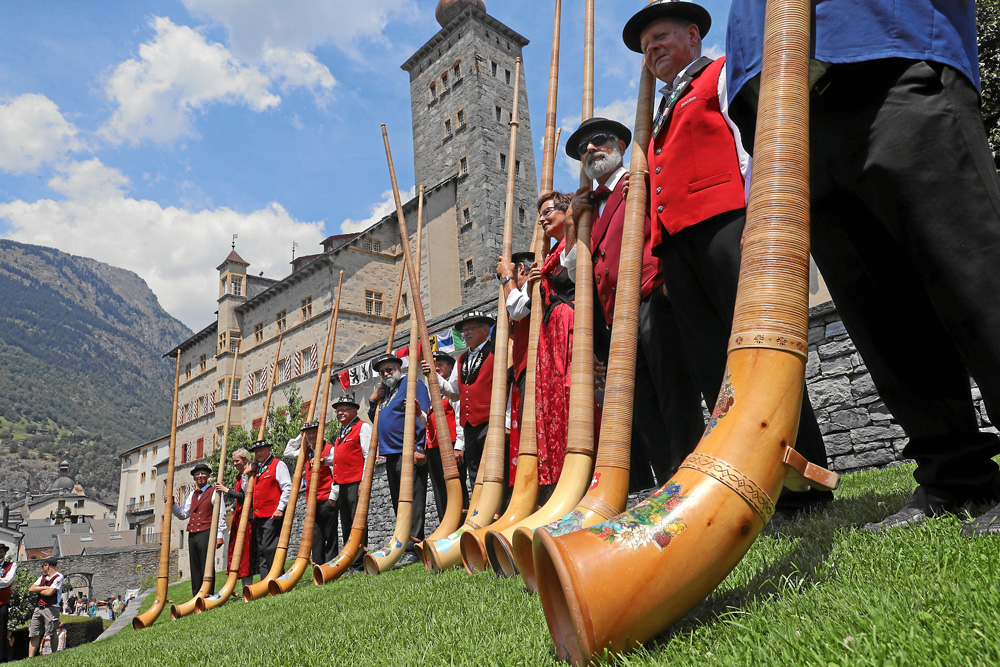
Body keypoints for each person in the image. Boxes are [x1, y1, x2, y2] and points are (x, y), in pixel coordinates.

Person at [725, 0, 1000, 534]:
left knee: (974, 272)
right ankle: (954, 473)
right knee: (880, 311)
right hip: (788, 102)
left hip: (888, 47)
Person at [621, 0, 833, 519]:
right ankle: (756, 480)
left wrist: (761, 222)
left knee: (763, 352)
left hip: (727, 228)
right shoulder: (662, 107)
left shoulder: (719, 76)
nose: (653, 49)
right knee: (717, 367)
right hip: (679, 249)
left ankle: (808, 480)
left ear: (693, 35)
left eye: (662, 38)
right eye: (647, 46)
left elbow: (751, 148)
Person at [563, 116, 705, 488]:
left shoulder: (640, 180)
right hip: (615, 320)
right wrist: (571, 224)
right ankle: (668, 487)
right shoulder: (587, 209)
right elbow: (578, 268)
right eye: (582, 149)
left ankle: (692, 481)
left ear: (621, 146)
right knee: (642, 407)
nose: (590, 149)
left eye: (598, 140)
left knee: (674, 394)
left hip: (650, 299)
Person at [527, 193, 577, 502]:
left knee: (572, 398)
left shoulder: (572, 242)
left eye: (548, 212)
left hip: (568, 326)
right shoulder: (548, 256)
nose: (543, 219)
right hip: (551, 335)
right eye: (540, 215)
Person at [368, 352, 429, 566]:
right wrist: (371, 401)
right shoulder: (386, 394)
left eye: (389, 369)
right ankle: (402, 542)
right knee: (398, 501)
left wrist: (419, 446)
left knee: (413, 498)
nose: (386, 373)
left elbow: (424, 415)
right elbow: (378, 420)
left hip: (408, 450)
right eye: (382, 372)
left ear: (398, 367)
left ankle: (414, 545)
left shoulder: (412, 384)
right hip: (391, 454)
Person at [433, 312, 497, 500]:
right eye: (463, 331)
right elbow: (453, 391)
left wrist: (506, 421)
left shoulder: (496, 350)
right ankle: (479, 511)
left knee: (494, 470)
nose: (466, 334)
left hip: (490, 421)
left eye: (470, 329)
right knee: (475, 472)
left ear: (485, 330)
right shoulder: (461, 359)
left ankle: (498, 511)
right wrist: (433, 375)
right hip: (469, 424)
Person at [172, 462, 226, 596]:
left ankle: (208, 593)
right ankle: (196, 595)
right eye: (197, 474)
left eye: (202, 473)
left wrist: (219, 535)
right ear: (194, 478)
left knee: (206, 564)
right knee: (195, 566)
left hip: (207, 532)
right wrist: (172, 504)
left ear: (207, 476)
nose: (200, 476)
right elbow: (184, 514)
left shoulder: (215, 492)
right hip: (193, 534)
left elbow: (221, 514)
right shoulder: (192, 495)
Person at [329, 396, 372, 567]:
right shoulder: (342, 432)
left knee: (357, 521)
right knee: (346, 522)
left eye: (344, 409)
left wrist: (364, 481)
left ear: (354, 411)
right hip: (344, 484)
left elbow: (368, 455)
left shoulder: (363, 427)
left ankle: (360, 560)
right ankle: (350, 558)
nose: (340, 412)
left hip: (356, 482)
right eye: (338, 410)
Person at [422, 352, 465, 517]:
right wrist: (420, 413)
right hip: (434, 448)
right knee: (439, 489)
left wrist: (459, 447)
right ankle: (444, 521)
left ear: (450, 367)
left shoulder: (452, 393)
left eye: (441, 364)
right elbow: (429, 423)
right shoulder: (435, 395)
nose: (437, 368)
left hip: (451, 445)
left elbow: (460, 418)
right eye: (434, 365)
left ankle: (459, 524)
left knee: (456, 489)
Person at [293, 420, 338, 564]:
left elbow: (335, 472)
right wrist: (301, 437)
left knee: (330, 534)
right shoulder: (305, 452)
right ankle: (318, 565)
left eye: (314, 432)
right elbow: (287, 451)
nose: (311, 436)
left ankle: (331, 565)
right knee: (316, 535)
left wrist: (333, 496)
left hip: (327, 497)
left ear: (320, 433)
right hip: (312, 500)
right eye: (309, 433)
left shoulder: (330, 449)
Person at [249, 439, 292, 578]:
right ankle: (265, 582)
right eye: (256, 452)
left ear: (269, 450)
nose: (259, 453)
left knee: (270, 548)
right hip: (258, 516)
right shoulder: (257, 469)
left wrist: (280, 508)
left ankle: (278, 579)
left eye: (261, 450)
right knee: (261, 551)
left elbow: (287, 487)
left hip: (272, 515)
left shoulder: (277, 464)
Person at [214, 448, 254, 590]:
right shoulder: (239, 476)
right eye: (233, 461)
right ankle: (244, 587)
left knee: (245, 553)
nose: (235, 463)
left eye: (237, 461)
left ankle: (248, 587)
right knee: (238, 551)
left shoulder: (249, 475)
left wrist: (226, 491)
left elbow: (245, 496)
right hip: (238, 516)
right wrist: (233, 506)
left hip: (247, 518)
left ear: (245, 460)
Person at [27, 558, 62, 657]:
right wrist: (45, 587)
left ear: (47, 565)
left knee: (52, 632)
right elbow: (31, 589)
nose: (42, 568)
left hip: (51, 608)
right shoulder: (42, 577)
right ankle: (30, 658)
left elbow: (49, 593)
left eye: (43, 566)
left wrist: (39, 590)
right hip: (39, 607)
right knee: (34, 633)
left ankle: (54, 655)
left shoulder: (59, 577)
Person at [0, 544, 16, 663]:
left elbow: (8, 581)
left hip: (2, 603)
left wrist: (4, 583)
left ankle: (2, 657)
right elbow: (4, 582)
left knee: (2, 630)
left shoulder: (11, 565)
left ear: (4, 553)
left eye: (1, 552)